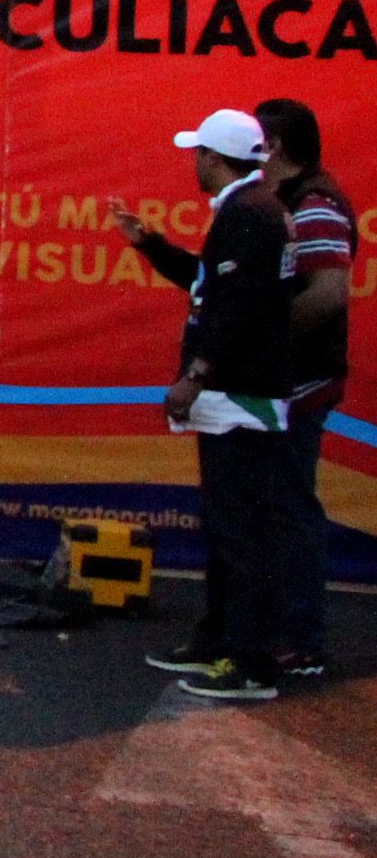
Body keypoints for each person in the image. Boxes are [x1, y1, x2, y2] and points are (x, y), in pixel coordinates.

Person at [116, 109, 308, 700]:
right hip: (239, 395)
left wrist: (196, 375)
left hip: (240, 397)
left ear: (214, 157)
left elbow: (239, 309)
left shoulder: (249, 214)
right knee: (231, 527)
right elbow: (213, 285)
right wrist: (150, 244)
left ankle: (249, 661)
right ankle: (219, 641)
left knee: (243, 531)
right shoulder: (253, 210)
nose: (192, 161)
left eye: (198, 152)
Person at [255, 98, 348, 677]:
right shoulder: (292, 201)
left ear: (279, 147)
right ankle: (284, 630)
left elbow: (329, 290)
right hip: (289, 380)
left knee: (290, 509)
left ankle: (301, 638)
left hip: (300, 381)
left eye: (258, 143)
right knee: (278, 507)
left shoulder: (314, 204)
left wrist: (266, 342)